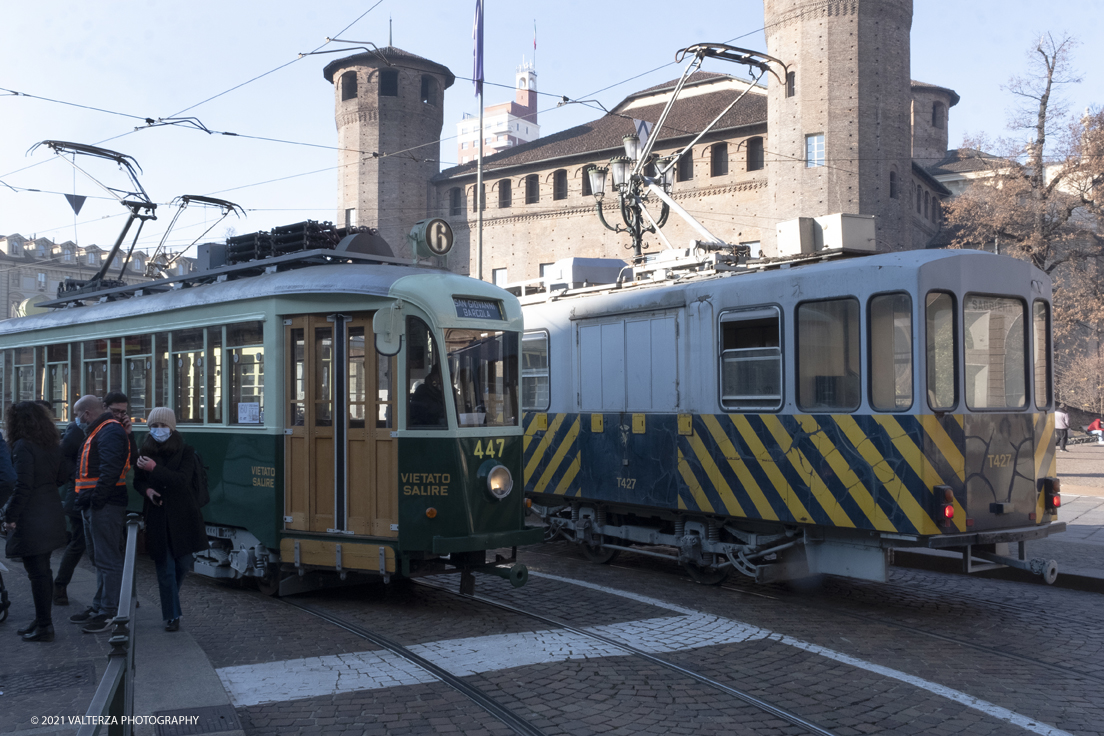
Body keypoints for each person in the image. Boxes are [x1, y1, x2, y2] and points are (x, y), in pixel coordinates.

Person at [134, 408, 207, 632]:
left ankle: (170, 598)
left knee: (184, 563)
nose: (158, 430)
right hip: (158, 515)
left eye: (162, 426)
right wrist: (148, 492)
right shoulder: (144, 451)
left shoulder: (186, 452)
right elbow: (138, 482)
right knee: (165, 568)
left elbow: (181, 481)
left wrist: (154, 469)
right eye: (154, 426)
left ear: (172, 428)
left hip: (183, 515)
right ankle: (172, 615)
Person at [1, 402, 69, 642]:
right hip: (51, 510)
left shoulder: (22, 446)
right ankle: (42, 619)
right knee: (44, 571)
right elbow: (63, 475)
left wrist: (10, 516)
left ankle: (44, 624)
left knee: (37, 573)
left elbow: (22, 485)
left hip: (32, 517)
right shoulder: (52, 445)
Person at [69, 395, 130, 634]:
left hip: (104, 505)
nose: (76, 420)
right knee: (99, 558)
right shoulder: (102, 430)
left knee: (107, 559)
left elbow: (110, 470)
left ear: (85, 414)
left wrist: (96, 499)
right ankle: (100, 606)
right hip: (96, 504)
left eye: (77, 415)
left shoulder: (108, 431)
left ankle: (109, 611)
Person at [52, 404, 87, 605]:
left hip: (87, 494)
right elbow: (64, 458)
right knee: (78, 543)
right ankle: (60, 584)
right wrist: (77, 478)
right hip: (80, 496)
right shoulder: (76, 431)